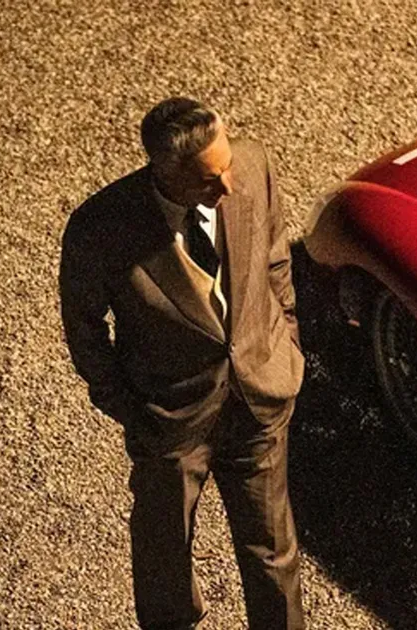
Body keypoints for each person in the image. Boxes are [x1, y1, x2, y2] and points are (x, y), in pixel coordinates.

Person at [59, 97, 306, 630]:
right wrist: (127, 405)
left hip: (259, 392)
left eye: (227, 168)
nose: (228, 189)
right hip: (169, 418)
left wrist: (284, 339)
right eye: (208, 182)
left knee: (273, 552)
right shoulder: (100, 229)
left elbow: (275, 257)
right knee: (163, 557)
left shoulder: (252, 163)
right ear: (163, 172)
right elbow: (83, 329)